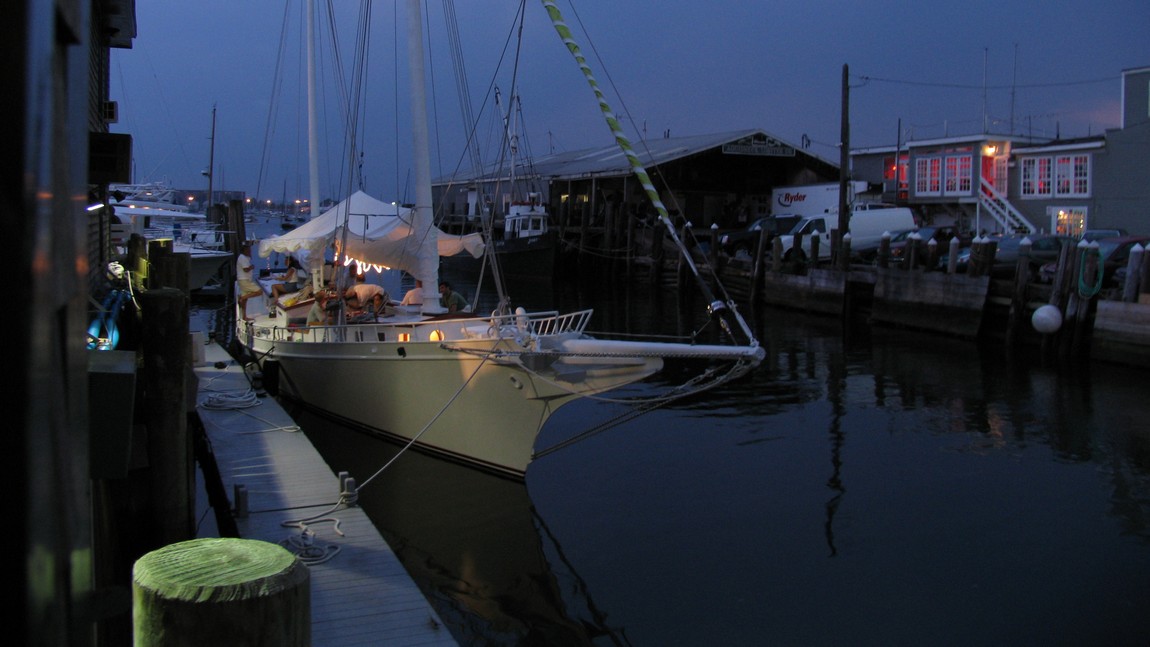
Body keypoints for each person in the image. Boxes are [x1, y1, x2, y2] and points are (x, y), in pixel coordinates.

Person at [236, 242, 263, 321]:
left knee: (245, 301)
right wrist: (251, 267)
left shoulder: (245, 257)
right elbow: (245, 269)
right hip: (244, 280)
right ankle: (242, 298)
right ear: (244, 250)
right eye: (248, 250)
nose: (250, 251)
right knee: (260, 291)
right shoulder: (242, 258)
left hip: (244, 280)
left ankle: (244, 316)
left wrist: (250, 256)